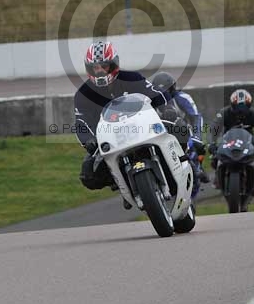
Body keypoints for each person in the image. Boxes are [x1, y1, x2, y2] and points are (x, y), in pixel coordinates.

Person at [74, 41, 168, 206]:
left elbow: (155, 94)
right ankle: (121, 183)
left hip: (142, 127)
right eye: (95, 68)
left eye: (104, 66)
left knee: (177, 127)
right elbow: (80, 121)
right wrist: (88, 140)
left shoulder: (132, 78)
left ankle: (185, 161)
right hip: (110, 138)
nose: (100, 71)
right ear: (89, 69)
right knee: (89, 173)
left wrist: (165, 108)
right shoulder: (83, 93)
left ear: (113, 64)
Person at [151, 71, 209, 186]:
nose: (164, 94)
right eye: (160, 92)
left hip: (183, 134)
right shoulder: (152, 103)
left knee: (197, 147)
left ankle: (197, 168)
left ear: (172, 88)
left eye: (166, 90)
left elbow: (196, 117)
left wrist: (197, 136)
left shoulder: (182, 97)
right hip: (161, 137)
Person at [207, 89, 254, 191]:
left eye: (244, 106)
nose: (240, 110)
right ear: (232, 105)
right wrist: (211, 144)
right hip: (228, 139)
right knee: (215, 154)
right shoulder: (223, 113)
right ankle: (217, 175)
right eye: (237, 107)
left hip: (248, 140)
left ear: (249, 105)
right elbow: (213, 130)